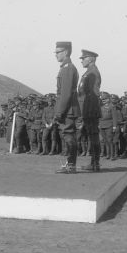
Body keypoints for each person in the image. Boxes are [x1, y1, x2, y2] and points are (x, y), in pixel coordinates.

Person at [53, 41, 81, 173]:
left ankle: (71, 165)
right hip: (68, 108)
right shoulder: (66, 67)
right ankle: (70, 164)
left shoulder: (68, 68)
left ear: (66, 52)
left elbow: (65, 94)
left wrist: (60, 112)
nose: (56, 55)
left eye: (58, 52)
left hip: (67, 109)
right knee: (68, 135)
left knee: (68, 135)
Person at [77, 49, 101, 172]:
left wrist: (88, 111)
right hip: (87, 109)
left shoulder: (92, 73)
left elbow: (93, 93)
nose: (81, 60)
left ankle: (95, 163)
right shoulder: (89, 72)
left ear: (90, 59)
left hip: (90, 109)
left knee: (93, 137)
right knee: (92, 137)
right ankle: (94, 163)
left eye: (83, 58)